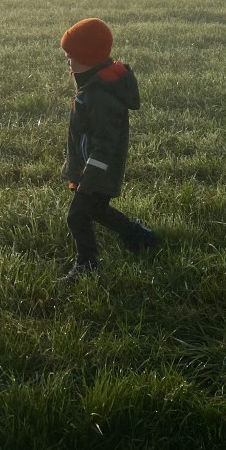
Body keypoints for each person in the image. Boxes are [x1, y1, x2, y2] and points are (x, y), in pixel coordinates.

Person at [59, 17, 156, 282]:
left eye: (71, 56)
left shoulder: (100, 98)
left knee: (77, 217)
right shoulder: (92, 87)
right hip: (92, 169)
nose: (67, 61)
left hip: (99, 170)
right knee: (97, 211)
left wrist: (89, 175)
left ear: (87, 58)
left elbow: (106, 144)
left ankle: (87, 265)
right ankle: (139, 237)